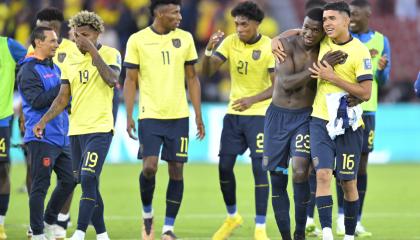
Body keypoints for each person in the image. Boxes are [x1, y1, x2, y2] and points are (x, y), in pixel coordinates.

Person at [33, 11, 121, 240]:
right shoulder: (70, 60)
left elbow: (112, 80)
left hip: (100, 129)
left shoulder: (111, 53)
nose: (79, 40)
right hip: (76, 131)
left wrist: (92, 50)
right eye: (76, 35)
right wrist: (43, 122)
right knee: (85, 181)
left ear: (97, 34)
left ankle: (80, 232)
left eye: (85, 35)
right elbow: (63, 98)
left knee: (89, 177)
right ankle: (102, 235)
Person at [265, 7, 350, 240]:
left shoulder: (326, 49)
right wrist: (277, 38)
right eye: (306, 28)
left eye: (315, 30)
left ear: (324, 33)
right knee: (277, 178)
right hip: (277, 118)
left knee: (301, 170)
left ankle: (300, 232)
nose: (309, 34)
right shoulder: (287, 44)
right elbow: (287, 83)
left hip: (304, 117)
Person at [123, 0, 205, 239]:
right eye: (175, 12)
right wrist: (129, 114)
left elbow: (192, 78)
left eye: (180, 12)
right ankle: (147, 215)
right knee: (149, 167)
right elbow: (130, 80)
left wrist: (198, 114)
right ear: (160, 13)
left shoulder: (186, 38)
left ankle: (168, 228)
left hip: (179, 115)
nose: (180, 16)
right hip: (150, 114)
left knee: (177, 170)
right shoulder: (137, 40)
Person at [202, 1, 274, 239]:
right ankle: (233, 217)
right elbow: (208, 72)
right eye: (237, 24)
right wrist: (209, 50)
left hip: (260, 115)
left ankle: (260, 227)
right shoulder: (231, 41)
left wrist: (252, 99)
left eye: (244, 24)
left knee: (259, 169)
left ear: (256, 24)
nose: (239, 28)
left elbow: (277, 87)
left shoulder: (270, 47)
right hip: (234, 115)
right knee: (224, 167)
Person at [307, 2, 373, 240]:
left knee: (348, 182)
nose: (327, 23)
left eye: (332, 19)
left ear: (347, 21)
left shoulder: (360, 51)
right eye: (325, 19)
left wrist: (331, 76)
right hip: (320, 120)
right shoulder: (321, 41)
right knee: (322, 174)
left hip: (349, 126)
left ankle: (349, 236)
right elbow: (299, 32)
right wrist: (275, 40)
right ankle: (326, 233)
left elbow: (366, 93)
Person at [334, 0, 391, 237]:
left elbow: (384, 82)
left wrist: (380, 71)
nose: (352, 19)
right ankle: (340, 217)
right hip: (342, 108)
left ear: (368, 14)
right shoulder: (341, 39)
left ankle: (356, 220)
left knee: (361, 167)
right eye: (349, 15)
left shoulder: (381, 41)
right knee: (342, 164)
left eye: (355, 14)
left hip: (367, 111)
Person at [26, 7, 81, 239]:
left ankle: (49, 219)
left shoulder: (54, 67)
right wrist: (61, 91)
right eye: (52, 41)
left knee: (71, 179)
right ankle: (37, 232)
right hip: (41, 136)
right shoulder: (29, 70)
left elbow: (64, 100)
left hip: (61, 134)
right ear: (39, 43)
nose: (57, 45)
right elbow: (36, 101)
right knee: (40, 185)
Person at [0, 35, 26, 240]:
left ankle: (0, 224)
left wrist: (26, 106)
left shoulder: (8, 46)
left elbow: (32, 65)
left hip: (1, 119)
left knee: (1, 170)